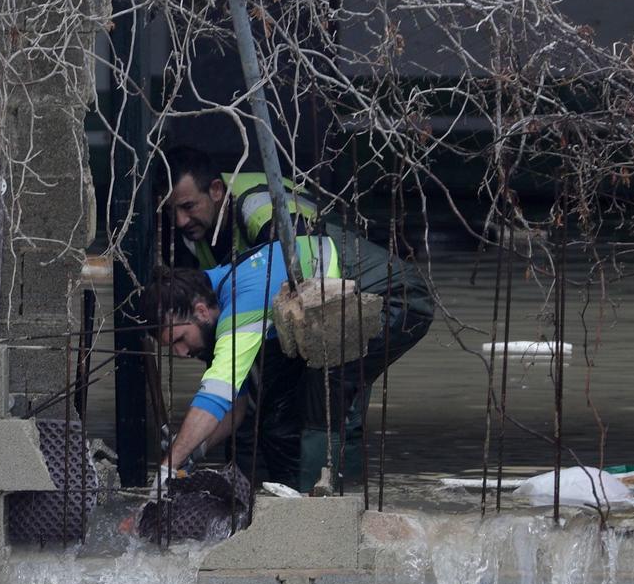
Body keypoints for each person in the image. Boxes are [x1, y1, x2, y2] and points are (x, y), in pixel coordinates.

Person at [151, 223, 432, 492]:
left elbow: (217, 392)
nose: (182, 353)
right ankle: (295, 496)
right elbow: (236, 406)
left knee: (326, 389)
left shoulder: (242, 302)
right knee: (277, 413)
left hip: (396, 298)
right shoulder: (222, 288)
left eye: (179, 340)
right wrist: (192, 450)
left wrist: (168, 467)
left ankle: (325, 505)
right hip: (332, 313)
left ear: (200, 311)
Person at [162, 144, 323, 271]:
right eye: (170, 210)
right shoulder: (196, 219)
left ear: (216, 190)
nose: (180, 221)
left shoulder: (260, 211)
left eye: (189, 206)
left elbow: (307, 267)